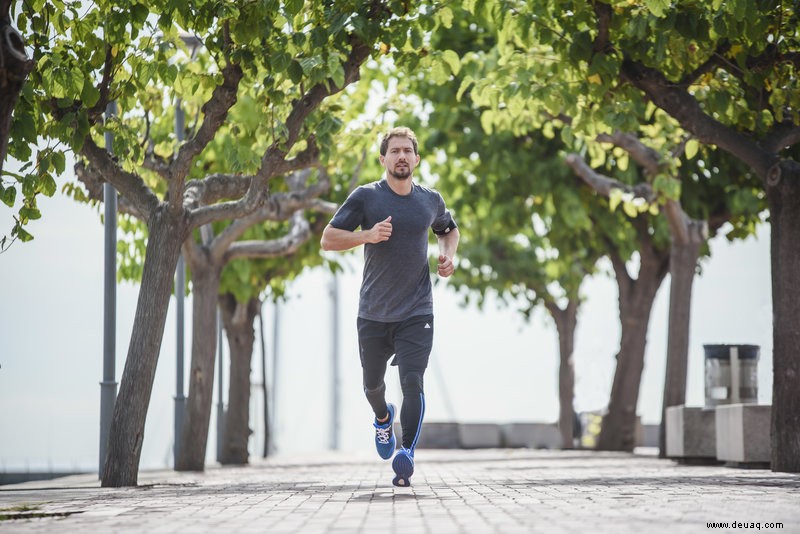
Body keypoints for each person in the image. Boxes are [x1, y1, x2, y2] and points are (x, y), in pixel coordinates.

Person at [320, 126, 459, 487]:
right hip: (373, 312)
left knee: (412, 381)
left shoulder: (430, 200)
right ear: (383, 159)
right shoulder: (366, 198)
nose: (401, 156)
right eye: (394, 151)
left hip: (417, 310)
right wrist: (366, 235)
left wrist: (447, 257)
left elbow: (448, 230)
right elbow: (328, 239)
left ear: (416, 158)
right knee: (372, 386)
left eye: (406, 151)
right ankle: (383, 419)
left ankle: (407, 453)